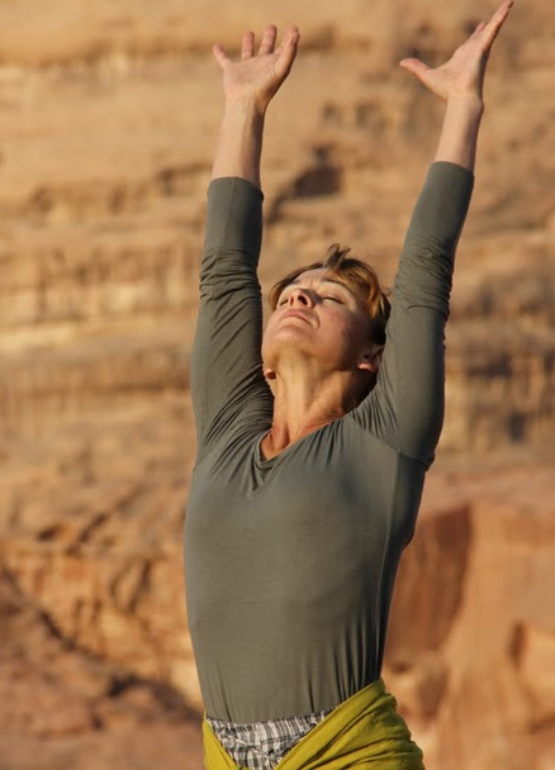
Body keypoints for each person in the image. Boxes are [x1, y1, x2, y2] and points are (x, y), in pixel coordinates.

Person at [184, 2, 514, 769]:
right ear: (261, 353)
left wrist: (461, 108)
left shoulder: (385, 441)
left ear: (370, 356)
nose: (298, 296)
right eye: (292, 292)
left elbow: (427, 266)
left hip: (347, 756)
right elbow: (225, 269)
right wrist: (243, 110)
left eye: (328, 299)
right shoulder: (227, 427)